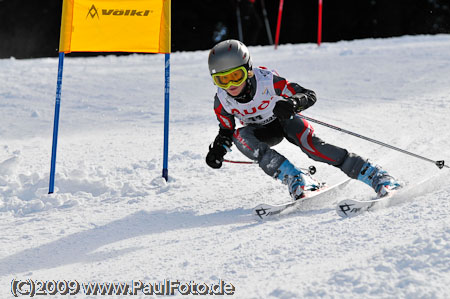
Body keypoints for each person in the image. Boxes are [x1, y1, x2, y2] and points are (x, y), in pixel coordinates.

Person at [205, 39, 401, 200]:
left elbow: (308, 94)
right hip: (263, 133)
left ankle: (375, 174)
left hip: (284, 120)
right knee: (241, 136)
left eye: (236, 76)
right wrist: (218, 150)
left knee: (313, 147)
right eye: (222, 80)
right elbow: (227, 130)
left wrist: (292, 103)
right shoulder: (222, 101)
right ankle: (297, 178)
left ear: (248, 70)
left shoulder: (267, 81)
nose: (230, 85)